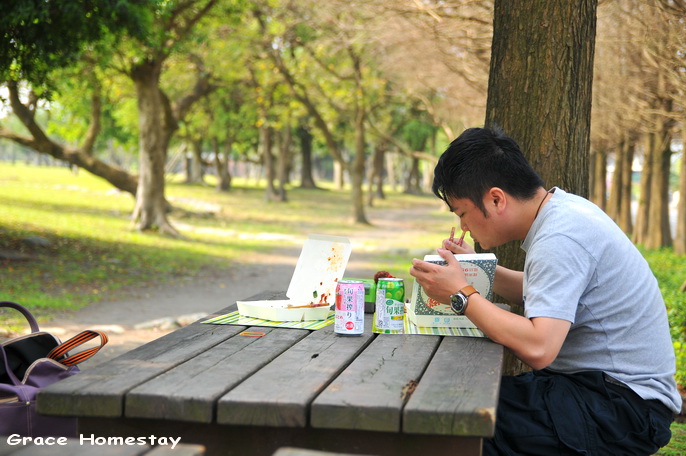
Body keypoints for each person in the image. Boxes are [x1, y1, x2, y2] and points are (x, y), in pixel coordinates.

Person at [409, 127, 680, 455]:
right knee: (458, 400)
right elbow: (551, 292)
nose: (464, 226)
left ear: (496, 199)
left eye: (462, 213)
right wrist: (474, 272)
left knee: (456, 421)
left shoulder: (559, 238)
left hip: (623, 409)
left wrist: (461, 294)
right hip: (601, 394)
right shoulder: (562, 212)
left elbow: (539, 347)